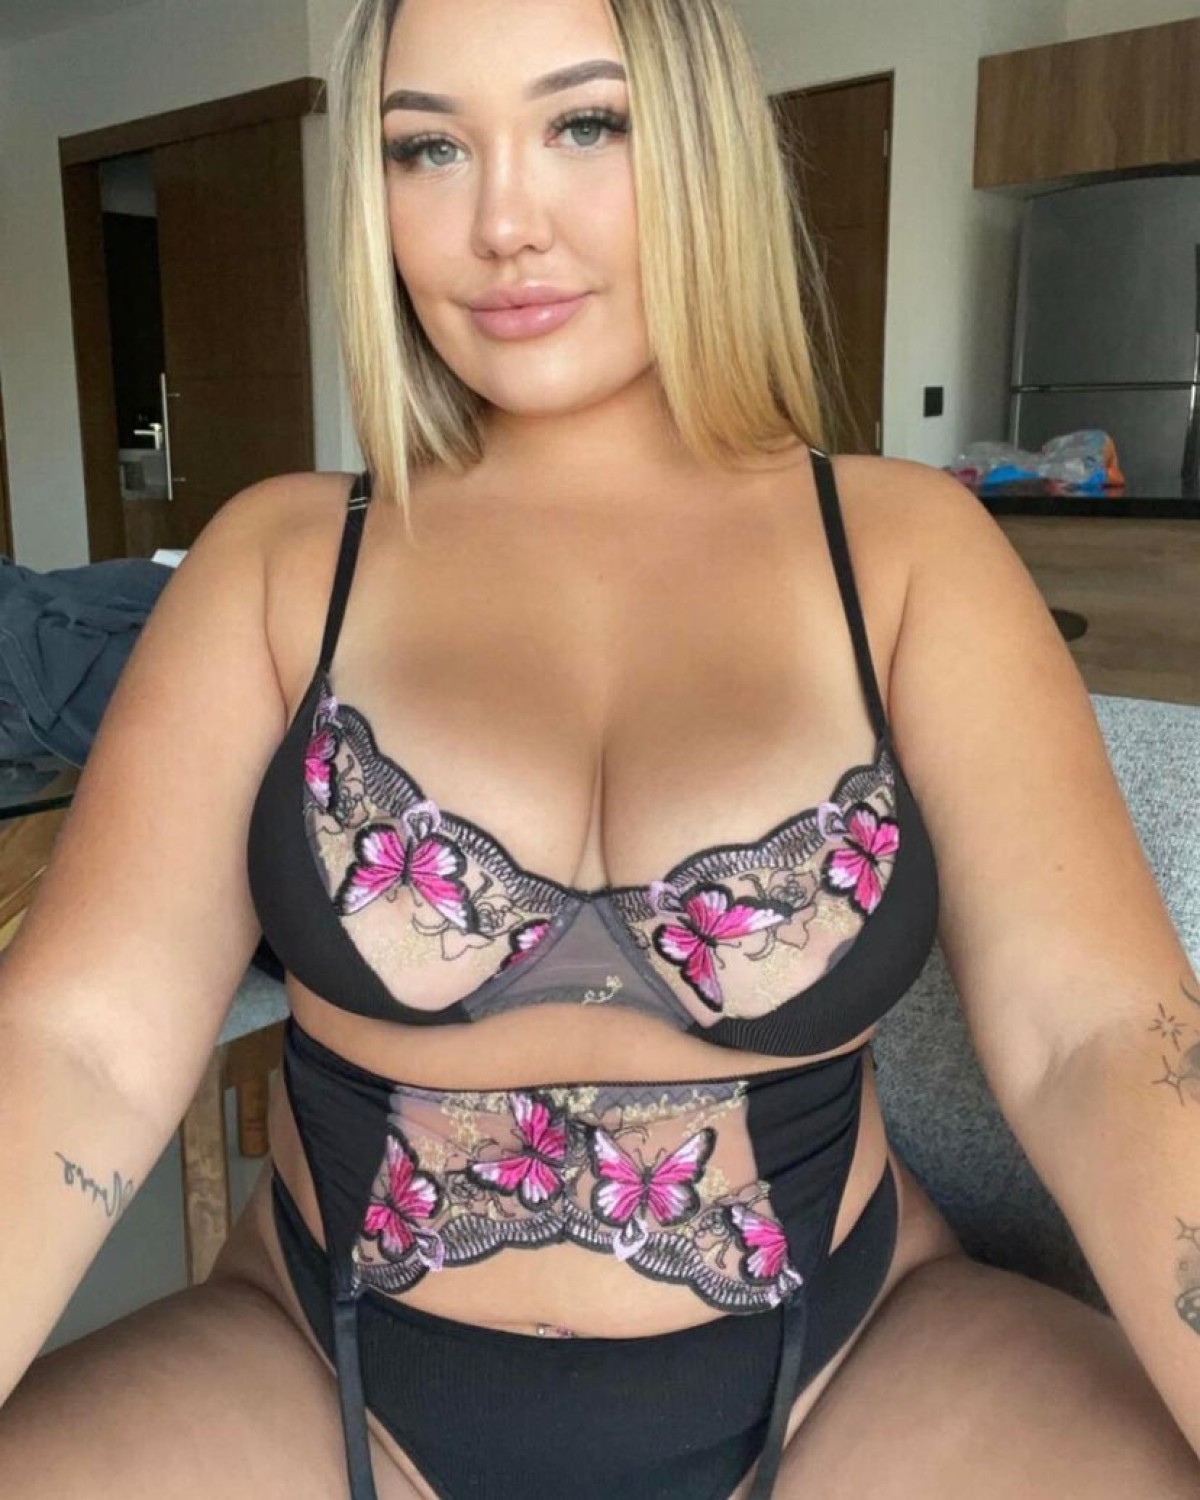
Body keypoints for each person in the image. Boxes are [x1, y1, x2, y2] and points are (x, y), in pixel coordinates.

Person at [1, 0, 1197, 1495]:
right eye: (429, 148)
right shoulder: (280, 561)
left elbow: (1099, 1037)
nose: (504, 223)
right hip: (318, 1370)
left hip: (850, 1373)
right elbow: (83, 1046)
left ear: (700, 149)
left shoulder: (904, 552)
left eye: (585, 123)